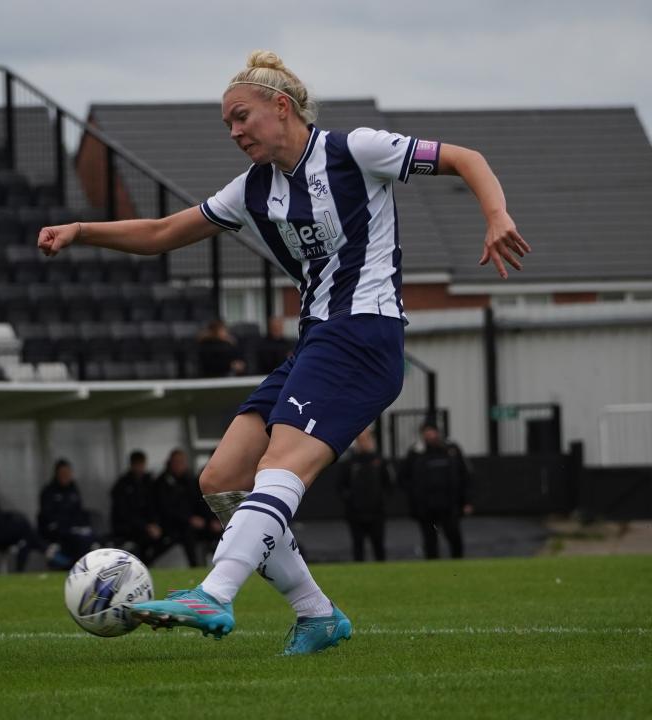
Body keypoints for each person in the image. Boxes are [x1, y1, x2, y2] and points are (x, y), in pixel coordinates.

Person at [38, 50, 528, 655]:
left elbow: (465, 158)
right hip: (318, 341)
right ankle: (315, 613)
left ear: (282, 107)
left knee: (279, 466)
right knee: (221, 480)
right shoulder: (253, 191)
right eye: (228, 125)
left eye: (241, 117)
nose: (236, 132)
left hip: (364, 333)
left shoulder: (356, 150)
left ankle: (214, 593)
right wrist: (82, 231)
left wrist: (496, 214)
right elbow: (164, 233)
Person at [400, 421, 474, 559]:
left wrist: (467, 501)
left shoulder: (452, 450)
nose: (429, 435)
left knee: (454, 536)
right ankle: (432, 568)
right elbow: (404, 478)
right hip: (426, 506)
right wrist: (415, 497)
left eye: (432, 431)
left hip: (449, 504)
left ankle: (459, 566)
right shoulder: (415, 452)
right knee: (430, 541)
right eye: (426, 432)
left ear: (438, 432)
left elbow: (465, 476)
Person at [153, 448, 221, 567]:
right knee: (188, 533)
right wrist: (189, 519)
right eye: (177, 462)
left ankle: (223, 565)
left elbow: (201, 502)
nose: (180, 465)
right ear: (170, 463)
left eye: (182, 462)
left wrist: (211, 520)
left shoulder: (190, 480)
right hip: (175, 525)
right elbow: (165, 509)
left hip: (196, 522)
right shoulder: (161, 483)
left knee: (220, 530)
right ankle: (195, 566)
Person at [339, 427, 391, 562]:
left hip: (376, 512)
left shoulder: (380, 461)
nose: (363, 443)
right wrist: (349, 500)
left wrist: (381, 499)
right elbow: (340, 486)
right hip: (355, 513)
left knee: (379, 545)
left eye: (366, 439)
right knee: (358, 545)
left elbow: (388, 484)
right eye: (360, 440)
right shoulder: (350, 463)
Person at [110, 450, 168, 564]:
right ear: (132, 465)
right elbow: (124, 513)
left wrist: (155, 524)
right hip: (128, 527)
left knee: (167, 537)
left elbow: (154, 506)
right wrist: (146, 526)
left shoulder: (149, 482)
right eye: (137, 464)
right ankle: (142, 565)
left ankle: (147, 563)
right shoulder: (122, 485)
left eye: (142, 464)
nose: (140, 468)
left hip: (148, 526)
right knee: (141, 541)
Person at [37, 459, 99, 565]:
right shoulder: (49, 491)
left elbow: (79, 510)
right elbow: (47, 516)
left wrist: (81, 524)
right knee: (77, 540)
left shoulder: (73, 489)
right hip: (58, 531)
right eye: (63, 473)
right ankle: (73, 566)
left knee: (89, 537)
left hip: (74, 529)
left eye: (68, 473)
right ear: (57, 474)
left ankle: (86, 567)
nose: (65, 476)